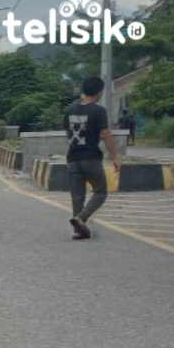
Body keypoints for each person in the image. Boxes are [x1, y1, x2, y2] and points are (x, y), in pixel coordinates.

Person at [64, 77, 122, 240]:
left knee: (77, 196)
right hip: (91, 159)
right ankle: (81, 219)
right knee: (100, 191)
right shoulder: (98, 111)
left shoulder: (69, 109)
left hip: (73, 158)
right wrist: (115, 157)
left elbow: (68, 134)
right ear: (99, 92)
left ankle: (78, 230)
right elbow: (105, 134)